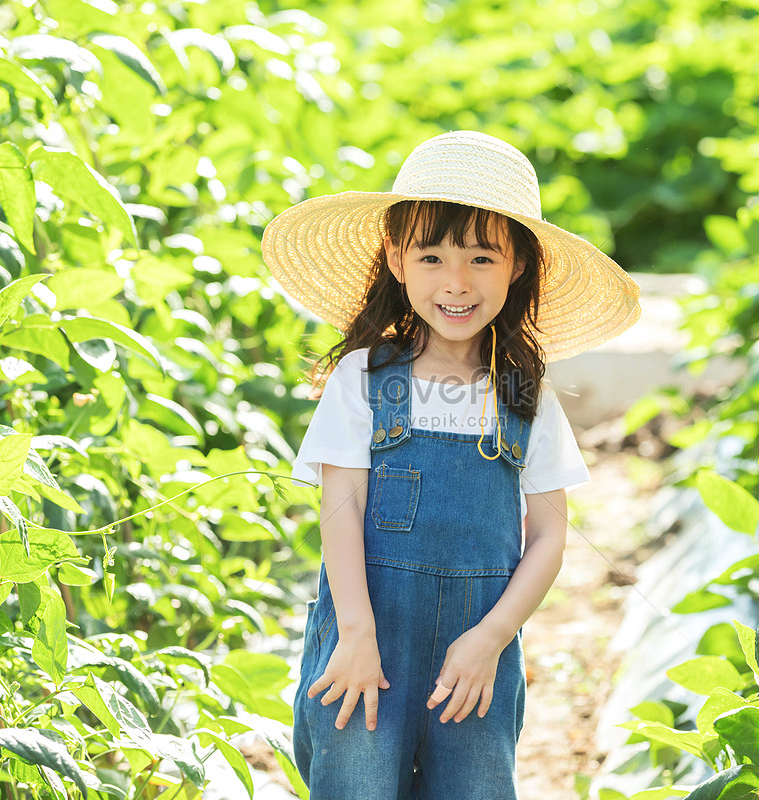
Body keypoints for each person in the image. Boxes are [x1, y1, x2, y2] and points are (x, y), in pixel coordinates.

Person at [261, 130, 640, 799]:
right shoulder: (364, 380)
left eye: (482, 258)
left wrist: (492, 638)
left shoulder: (524, 396)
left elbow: (550, 538)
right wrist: (354, 633)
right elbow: (340, 512)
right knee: (356, 780)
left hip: (477, 657)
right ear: (396, 259)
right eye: (431, 256)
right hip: (367, 639)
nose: (456, 282)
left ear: (518, 264)